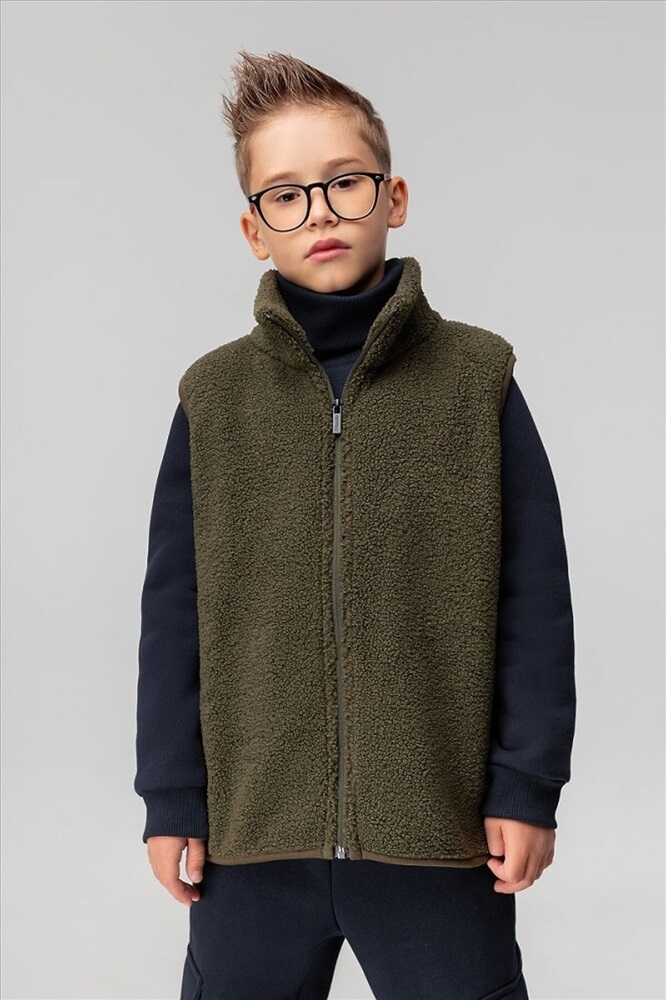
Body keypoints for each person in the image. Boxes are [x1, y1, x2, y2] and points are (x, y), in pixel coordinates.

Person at [133, 49, 576, 1000]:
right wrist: (170, 797)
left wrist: (526, 786)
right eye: (286, 195)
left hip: (438, 837)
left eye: (344, 182)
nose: (320, 212)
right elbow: (173, 616)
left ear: (394, 197)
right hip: (253, 837)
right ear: (254, 229)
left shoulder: (477, 381)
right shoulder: (214, 399)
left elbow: (535, 601)